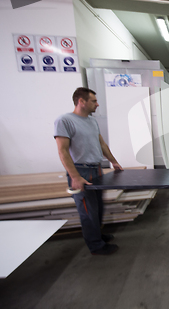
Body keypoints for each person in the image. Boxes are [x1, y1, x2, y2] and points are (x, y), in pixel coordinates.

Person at [54, 87, 123, 255]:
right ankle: (96, 245)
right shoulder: (64, 120)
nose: (97, 104)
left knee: (98, 207)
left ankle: (98, 235)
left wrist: (113, 161)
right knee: (87, 210)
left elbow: (102, 144)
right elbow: (62, 151)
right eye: (94, 101)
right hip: (81, 171)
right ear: (81, 101)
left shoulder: (92, 121)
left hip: (96, 169)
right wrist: (75, 177)